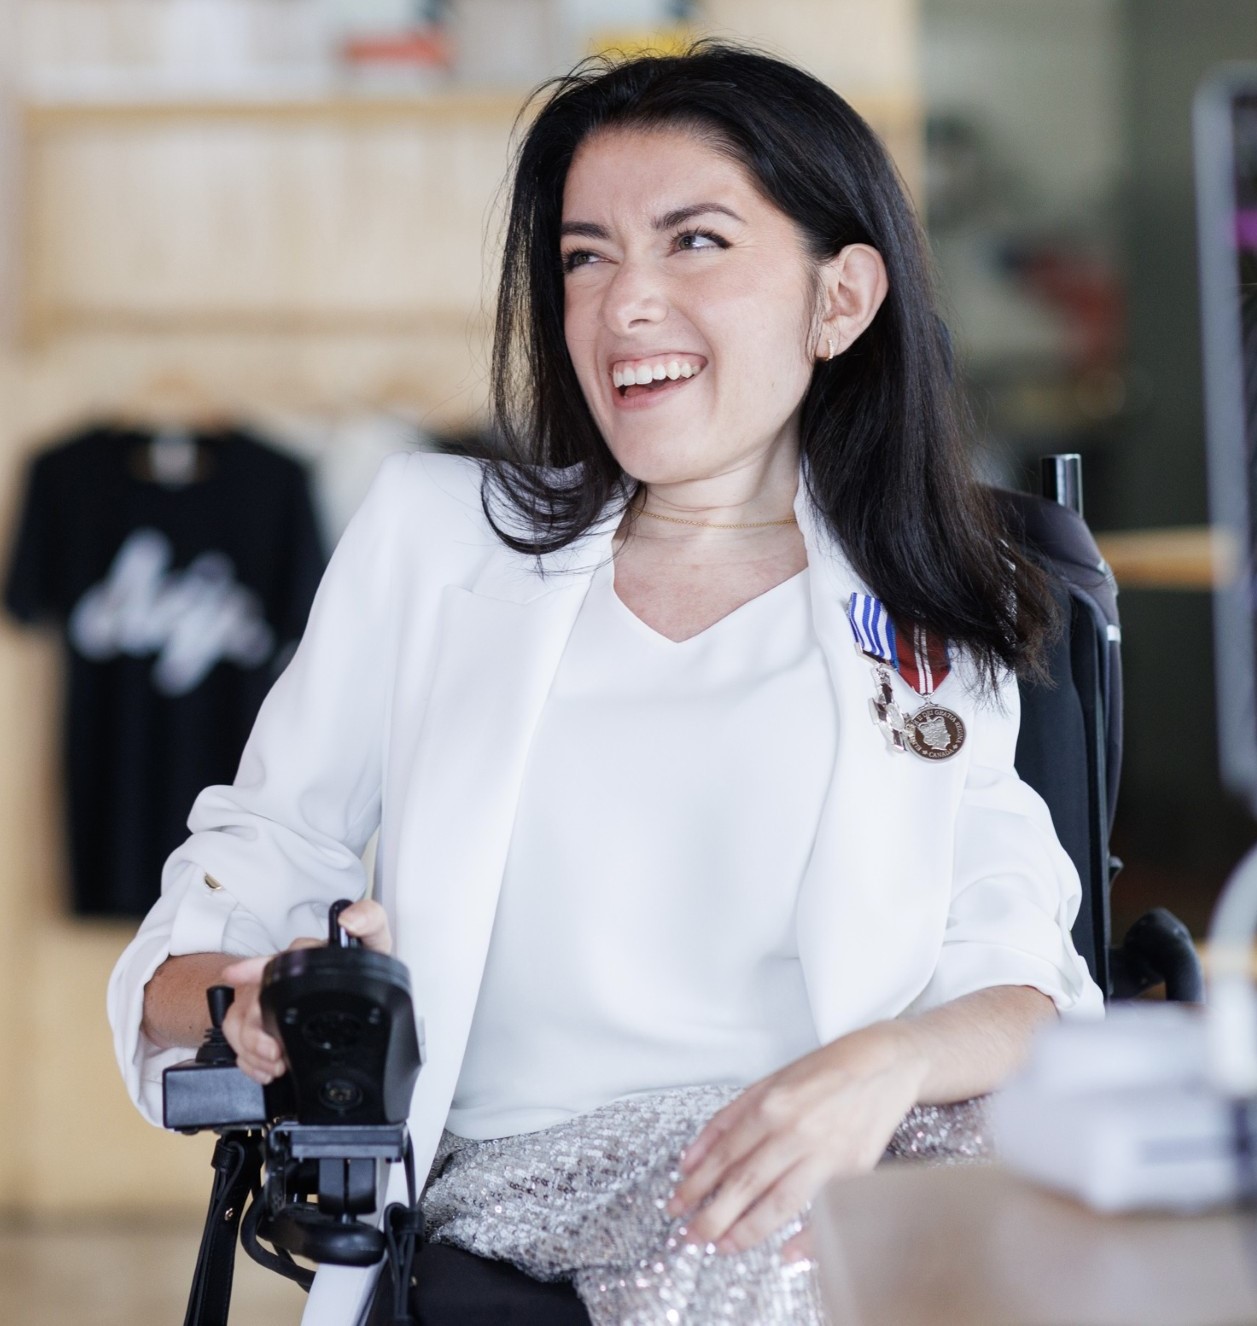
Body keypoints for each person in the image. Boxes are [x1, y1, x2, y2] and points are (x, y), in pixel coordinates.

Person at [109, 42, 1103, 1326]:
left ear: (840, 299)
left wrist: (882, 1067)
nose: (622, 303)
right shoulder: (433, 541)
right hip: (553, 1187)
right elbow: (217, 915)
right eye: (585, 257)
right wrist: (261, 1002)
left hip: (867, 1151)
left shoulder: (923, 612)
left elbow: (1036, 988)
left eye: (694, 241)